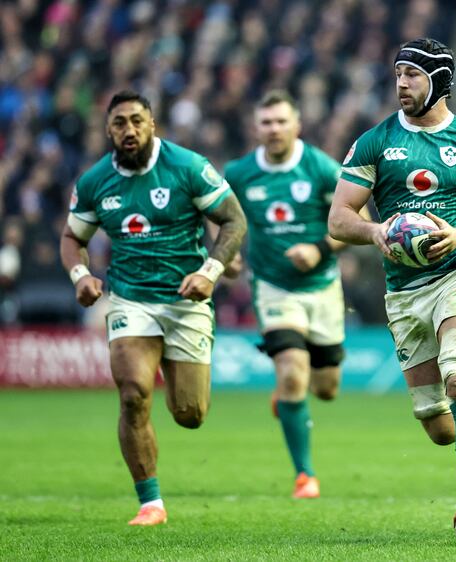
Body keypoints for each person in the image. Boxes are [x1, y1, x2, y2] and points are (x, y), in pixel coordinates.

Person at [328, 38, 456, 546]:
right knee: (440, 426)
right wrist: (376, 233)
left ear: (439, 81)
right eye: (397, 73)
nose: (400, 83)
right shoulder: (374, 141)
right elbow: (339, 218)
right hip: (404, 292)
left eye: (412, 74)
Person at [59, 90, 246, 526]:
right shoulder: (93, 182)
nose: (129, 129)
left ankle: (176, 376)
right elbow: (73, 238)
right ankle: (150, 503)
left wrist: (212, 270)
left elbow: (234, 219)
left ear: (152, 124)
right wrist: (81, 276)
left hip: (186, 299)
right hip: (130, 298)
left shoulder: (187, 167)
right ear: (107, 129)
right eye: (120, 122)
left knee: (190, 414)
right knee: (133, 394)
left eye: (137, 121)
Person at [224, 91, 365, 499]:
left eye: (281, 121)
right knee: (291, 372)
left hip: (321, 287)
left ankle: (288, 399)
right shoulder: (240, 173)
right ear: (256, 127)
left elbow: (359, 221)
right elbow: (219, 218)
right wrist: (226, 256)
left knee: (325, 388)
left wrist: (317, 249)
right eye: (266, 122)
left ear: (296, 125)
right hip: (272, 287)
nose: (274, 129)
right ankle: (305, 475)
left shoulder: (320, 167)